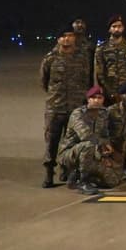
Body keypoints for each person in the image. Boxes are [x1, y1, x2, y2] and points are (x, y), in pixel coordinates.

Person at [40, 28, 90, 188]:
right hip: (55, 107)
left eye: (70, 35)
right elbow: (44, 81)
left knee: (72, 141)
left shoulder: (82, 58)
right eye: (63, 36)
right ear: (58, 39)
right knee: (52, 141)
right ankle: (49, 172)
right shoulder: (50, 58)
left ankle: (67, 169)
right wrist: (55, 96)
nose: (67, 39)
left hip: (76, 106)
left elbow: (87, 80)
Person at [57, 85, 114, 195]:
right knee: (88, 144)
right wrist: (102, 144)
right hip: (69, 154)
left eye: (100, 98)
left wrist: (107, 146)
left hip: (91, 152)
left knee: (111, 181)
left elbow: (104, 134)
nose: (96, 100)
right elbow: (86, 135)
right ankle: (83, 181)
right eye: (93, 97)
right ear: (88, 99)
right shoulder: (78, 114)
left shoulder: (103, 114)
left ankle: (76, 175)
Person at [95, 15, 126, 103]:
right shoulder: (102, 48)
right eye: (114, 26)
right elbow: (100, 73)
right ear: (109, 29)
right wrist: (108, 92)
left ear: (123, 28)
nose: (117, 29)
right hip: (108, 92)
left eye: (119, 26)